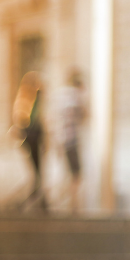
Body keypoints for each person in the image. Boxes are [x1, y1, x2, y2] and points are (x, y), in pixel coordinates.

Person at [12, 71, 46, 212]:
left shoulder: (35, 99)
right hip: (30, 137)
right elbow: (21, 119)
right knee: (35, 171)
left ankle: (41, 201)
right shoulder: (25, 100)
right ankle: (37, 200)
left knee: (38, 171)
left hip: (35, 138)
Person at [54, 68, 87, 214]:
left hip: (60, 139)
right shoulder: (75, 96)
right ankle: (72, 205)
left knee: (68, 173)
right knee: (76, 174)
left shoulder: (61, 96)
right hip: (71, 140)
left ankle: (68, 203)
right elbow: (83, 115)